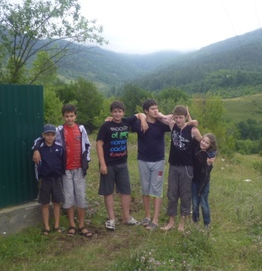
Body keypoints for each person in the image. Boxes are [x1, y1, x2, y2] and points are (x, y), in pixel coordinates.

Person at [32, 104, 93, 238]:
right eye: (66, 116)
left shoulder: (81, 129)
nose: (69, 118)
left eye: (71, 116)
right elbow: (42, 138)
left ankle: (82, 225)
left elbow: (87, 145)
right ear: (63, 117)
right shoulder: (59, 130)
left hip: (79, 169)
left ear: (75, 116)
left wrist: (86, 161)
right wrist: (36, 149)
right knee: (68, 198)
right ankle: (72, 225)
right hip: (66, 170)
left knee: (81, 197)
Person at [96, 100, 147, 230]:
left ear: (123, 112)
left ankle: (126, 217)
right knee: (108, 191)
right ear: (111, 113)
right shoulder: (106, 126)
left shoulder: (126, 122)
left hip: (122, 163)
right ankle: (111, 219)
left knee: (126, 190)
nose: (117, 114)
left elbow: (140, 114)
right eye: (115, 112)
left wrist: (143, 121)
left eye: (119, 111)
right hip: (108, 163)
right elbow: (99, 144)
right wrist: (102, 164)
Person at [131, 99, 171, 231]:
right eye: (152, 109)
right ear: (146, 111)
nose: (155, 111)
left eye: (156, 108)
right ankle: (147, 216)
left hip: (158, 161)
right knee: (145, 189)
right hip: (143, 160)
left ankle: (155, 219)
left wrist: (162, 115)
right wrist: (142, 118)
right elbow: (127, 120)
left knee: (157, 190)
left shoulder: (161, 124)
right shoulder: (139, 124)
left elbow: (174, 120)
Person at [161, 105, 202, 232]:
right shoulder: (172, 125)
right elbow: (158, 116)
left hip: (187, 168)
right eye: (176, 117)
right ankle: (171, 222)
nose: (178, 120)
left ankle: (182, 223)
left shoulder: (193, 130)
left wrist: (210, 157)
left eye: (181, 117)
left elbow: (203, 144)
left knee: (185, 195)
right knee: (172, 194)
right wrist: (170, 116)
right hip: (173, 166)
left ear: (185, 117)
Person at [34, 124, 65, 236]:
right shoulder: (39, 149)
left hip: (56, 179)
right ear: (43, 135)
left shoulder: (60, 148)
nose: (50, 137)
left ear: (55, 135)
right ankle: (46, 227)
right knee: (45, 204)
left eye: (52, 135)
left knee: (57, 203)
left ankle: (56, 225)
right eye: (47, 135)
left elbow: (63, 163)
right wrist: (36, 150)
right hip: (45, 180)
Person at [192, 133, 217, 229]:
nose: (203, 143)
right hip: (194, 181)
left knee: (203, 203)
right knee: (194, 203)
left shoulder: (209, 157)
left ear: (210, 145)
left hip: (204, 183)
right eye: (203, 140)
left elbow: (206, 173)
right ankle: (195, 221)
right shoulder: (196, 149)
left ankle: (207, 223)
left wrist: (209, 164)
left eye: (207, 143)